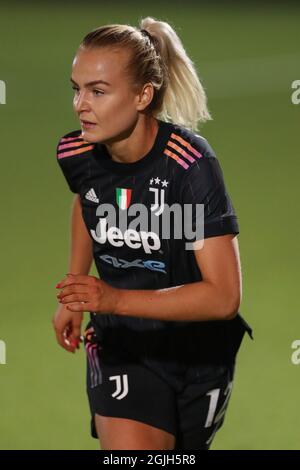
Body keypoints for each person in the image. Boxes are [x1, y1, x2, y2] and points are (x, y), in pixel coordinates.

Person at [53, 17, 252, 450]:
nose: (80, 105)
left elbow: (223, 296)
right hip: (121, 344)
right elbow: (87, 201)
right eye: (77, 88)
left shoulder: (190, 166)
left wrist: (114, 298)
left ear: (144, 95)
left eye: (98, 91)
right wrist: (77, 290)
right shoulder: (77, 153)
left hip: (199, 356)